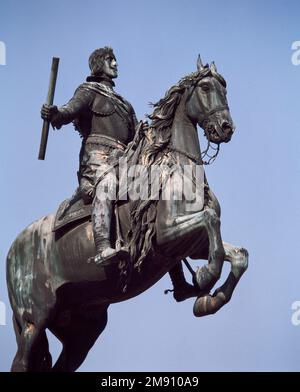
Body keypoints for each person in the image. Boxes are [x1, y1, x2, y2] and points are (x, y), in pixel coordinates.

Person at [41, 46, 137, 265]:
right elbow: (67, 112)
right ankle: (103, 247)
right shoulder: (89, 90)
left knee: (155, 192)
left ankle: (176, 276)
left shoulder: (125, 105)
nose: (115, 63)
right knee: (108, 182)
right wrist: (54, 113)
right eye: (110, 59)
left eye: (115, 59)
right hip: (96, 160)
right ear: (98, 64)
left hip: (124, 161)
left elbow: (138, 136)